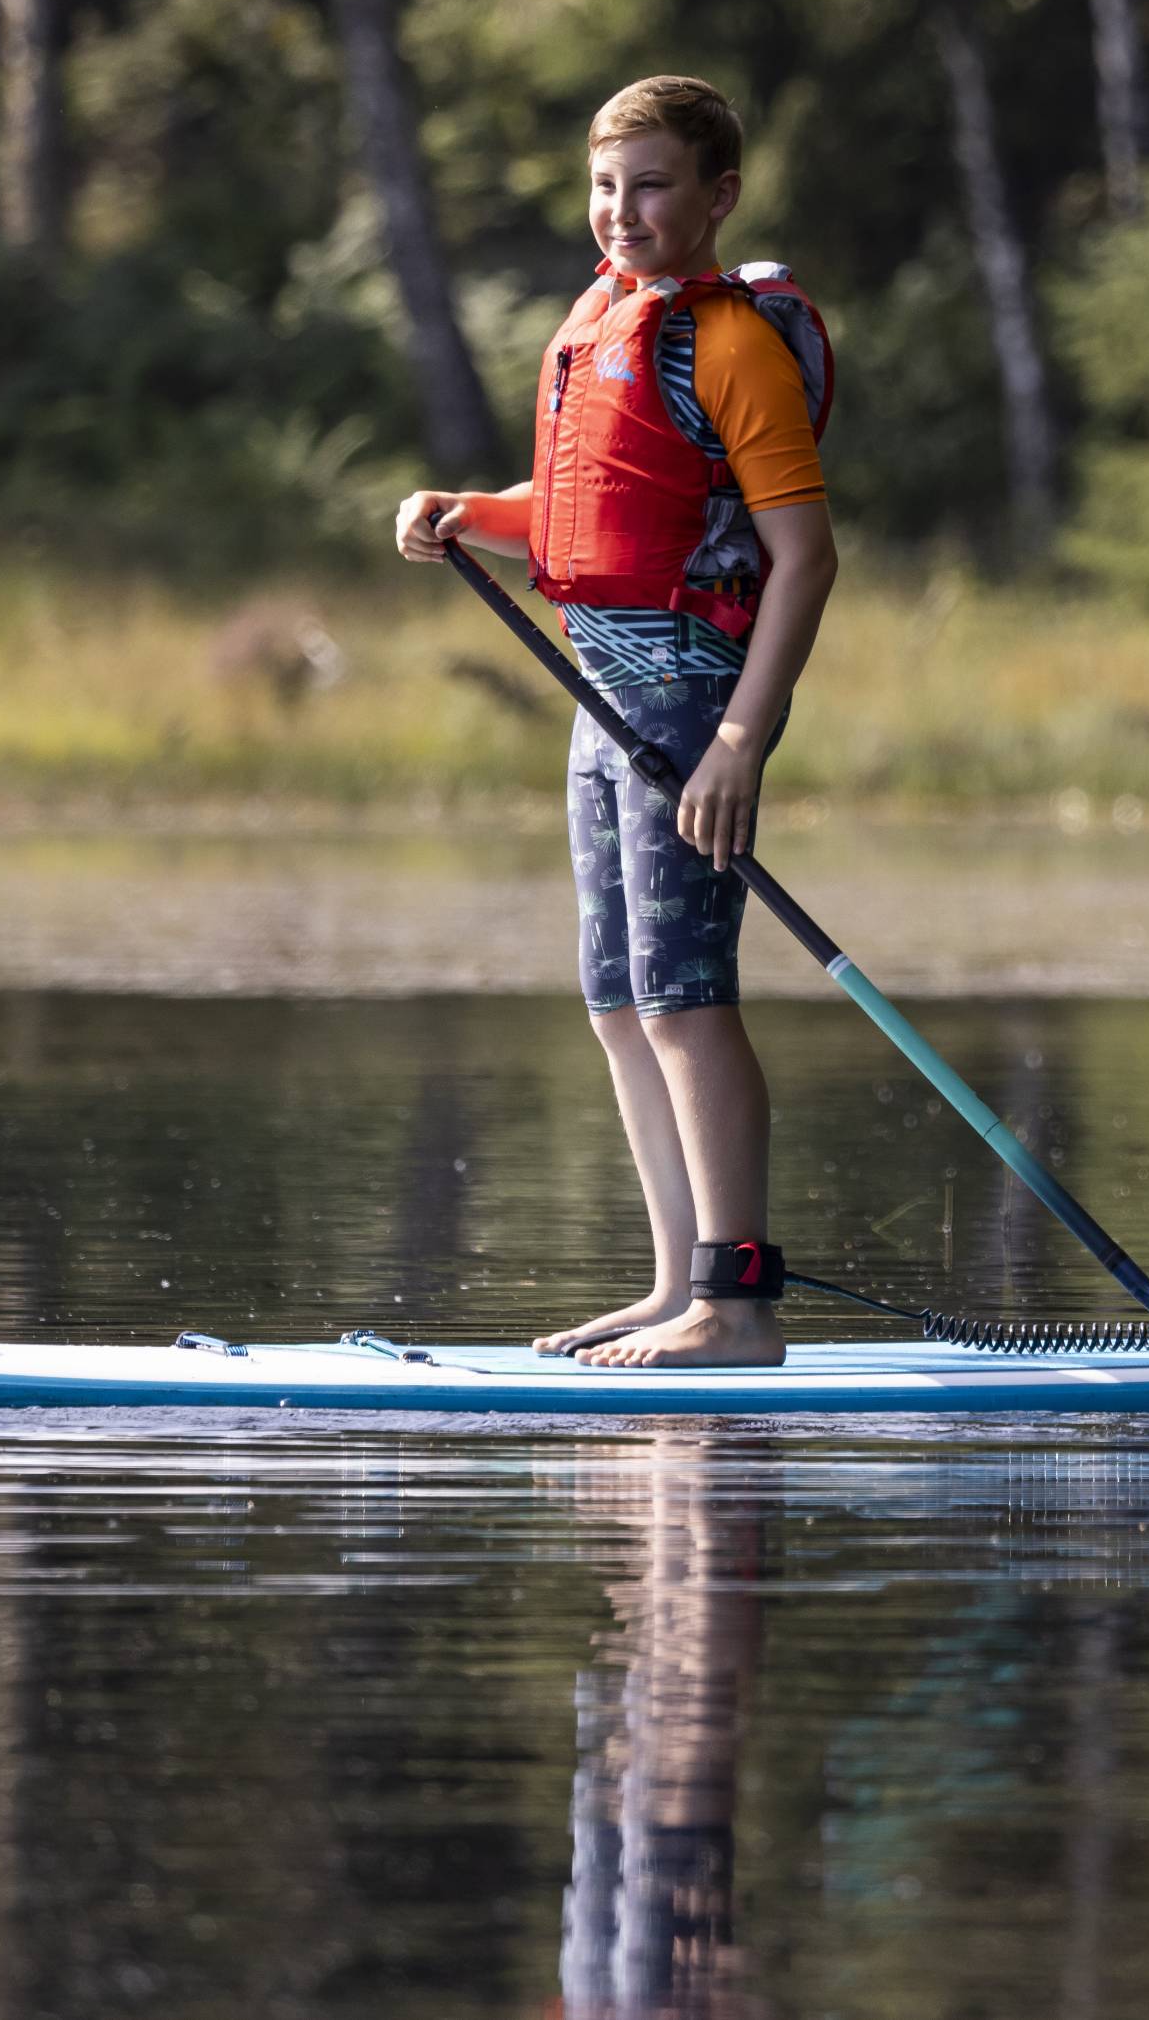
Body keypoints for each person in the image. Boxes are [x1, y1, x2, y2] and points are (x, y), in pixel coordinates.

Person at [394, 73, 837, 1368]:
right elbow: (594, 503)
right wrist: (471, 510)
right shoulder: (604, 320)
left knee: (688, 998)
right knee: (618, 998)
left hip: (696, 699)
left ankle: (737, 1307)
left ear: (718, 196)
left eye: (650, 186)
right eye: (604, 186)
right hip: (601, 695)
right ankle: (673, 1286)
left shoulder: (735, 344)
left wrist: (741, 741)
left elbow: (804, 558)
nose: (621, 212)